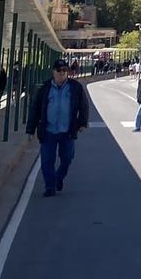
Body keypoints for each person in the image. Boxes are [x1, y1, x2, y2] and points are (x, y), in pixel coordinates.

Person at [26, 58, 89, 197]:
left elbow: (84, 105)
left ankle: (58, 177)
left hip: (67, 130)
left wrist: (82, 123)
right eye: (59, 71)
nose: (62, 73)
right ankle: (50, 186)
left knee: (67, 158)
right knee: (47, 160)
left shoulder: (75, 87)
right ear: (53, 72)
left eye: (65, 71)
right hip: (48, 131)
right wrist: (30, 129)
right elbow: (35, 109)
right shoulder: (45, 88)